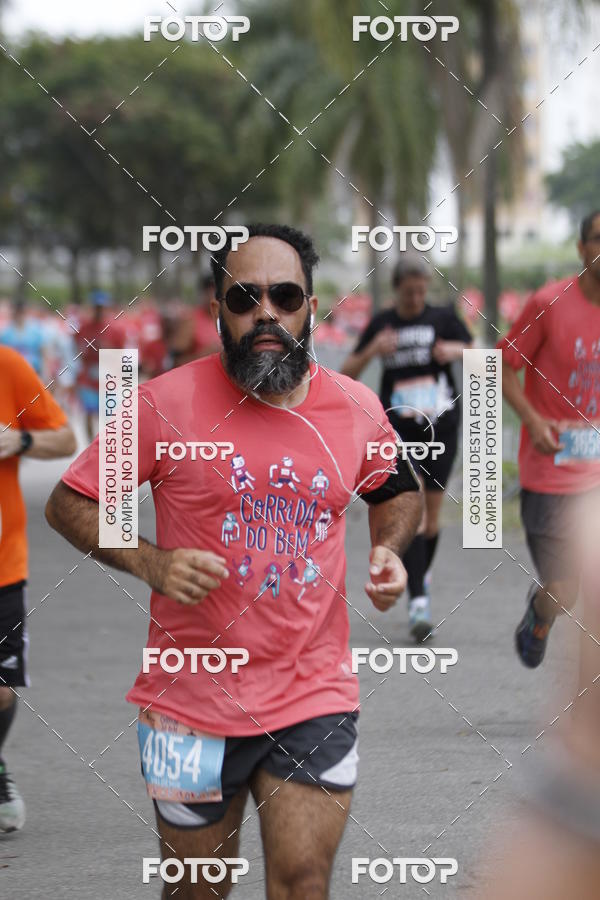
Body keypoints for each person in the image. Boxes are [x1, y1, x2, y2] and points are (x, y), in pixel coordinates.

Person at [46, 224, 423, 899]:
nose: (265, 314)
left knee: (304, 883)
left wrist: (390, 551)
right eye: (245, 298)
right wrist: (149, 562)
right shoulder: (162, 404)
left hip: (314, 693)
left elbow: (397, 490)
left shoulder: (355, 407)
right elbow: (70, 501)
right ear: (218, 307)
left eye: (284, 296)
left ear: (312, 306)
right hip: (187, 701)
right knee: (199, 891)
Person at [341, 257, 472, 642]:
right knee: (410, 510)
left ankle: (417, 578)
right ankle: (419, 601)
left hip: (441, 425)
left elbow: (477, 351)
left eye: (421, 290)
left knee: (431, 520)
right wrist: (373, 351)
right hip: (398, 427)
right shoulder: (383, 322)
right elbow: (346, 371)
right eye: (409, 291)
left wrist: (455, 351)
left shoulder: (443, 317)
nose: (416, 298)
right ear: (396, 288)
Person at [498, 210, 600, 669]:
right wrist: (533, 420)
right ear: (582, 249)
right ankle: (539, 614)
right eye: (599, 239)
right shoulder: (549, 302)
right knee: (565, 590)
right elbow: (499, 366)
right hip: (550, 475)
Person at [0, 346, 76, 832]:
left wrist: (20, 440)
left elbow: (65, 438)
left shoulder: (7, 365)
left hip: (3, 564)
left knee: (2, 693)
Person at [75, 292, 126, 442]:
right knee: (89, 412)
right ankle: (90, 446)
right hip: (88, 377)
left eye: (102, 308)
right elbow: (78, 348)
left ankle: (108, 444)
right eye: (96, 308)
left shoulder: (116, 328)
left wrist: (107, 350)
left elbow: (122, 354)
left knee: (110, 414)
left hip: (108, 377)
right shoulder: (84, 327)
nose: (99, 311)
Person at [0, 299, 47, 377]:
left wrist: (45, 374)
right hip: (12, 373)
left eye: (22, 312)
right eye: (17, 312)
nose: (19, 315)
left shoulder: (36, 331)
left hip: (33, 372)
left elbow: (43, 353)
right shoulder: (5, 333)